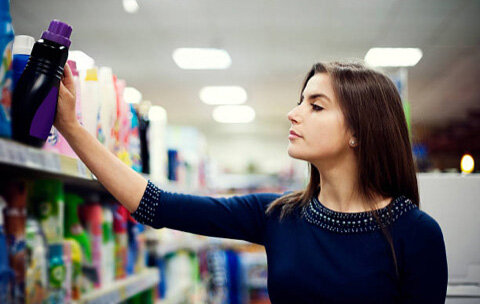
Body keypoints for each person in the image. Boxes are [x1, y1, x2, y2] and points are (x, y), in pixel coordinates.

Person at [55, 61, 448, 303]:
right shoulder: (276, 215)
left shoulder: (416, 235)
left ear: (359, 132)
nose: (294, 114)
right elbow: (155, 204)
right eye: (300, 101)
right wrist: (71, 128)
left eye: (316, 105)